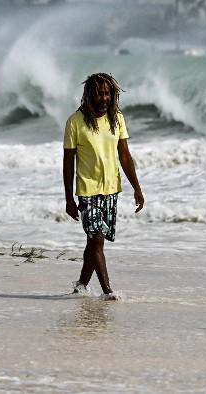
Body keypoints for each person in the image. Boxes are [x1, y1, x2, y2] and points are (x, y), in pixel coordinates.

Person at [63, 72, 144, 299]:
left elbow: (125, 157)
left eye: (108, 93)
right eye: (100, 93)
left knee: (94, 241)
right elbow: (68, 164)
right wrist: (69, 198)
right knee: (97, 238)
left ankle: (81, 284)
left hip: (111, 188)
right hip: (87, 189)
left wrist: (137, 188)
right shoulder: (74, 122)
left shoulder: (116, 119)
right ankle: (108, 291)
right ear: (90, 95)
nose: (105, 98)